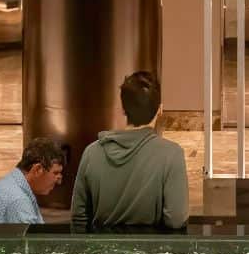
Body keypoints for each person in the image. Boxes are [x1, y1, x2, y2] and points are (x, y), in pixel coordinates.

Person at [70, 71, 192, 232]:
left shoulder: (91, 153)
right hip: (149, 247)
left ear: (123, 109)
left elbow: (78, 218)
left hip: (101, 247)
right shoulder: (171, 154)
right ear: (160, 110)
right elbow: (176, 219)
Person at [0, 138, 66, 225]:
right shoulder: (18, 199)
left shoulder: (15, 185)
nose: (59, 181)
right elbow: (31, 240)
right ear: (37, 169)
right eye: (55, 173)